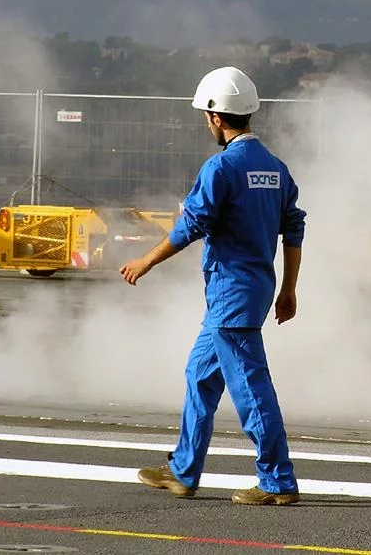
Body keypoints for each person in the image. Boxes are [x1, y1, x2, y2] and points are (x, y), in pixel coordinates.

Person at [121, 66, 306, 505]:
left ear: (216, 118)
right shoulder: (275, 168)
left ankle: (278, 480)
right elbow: (294, 228)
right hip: (256, 288)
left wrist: (145, 261)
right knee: (200, 374)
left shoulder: (221, 167)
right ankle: (184, 471)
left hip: (230, 295)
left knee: (250, 387)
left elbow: (191, 226)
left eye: (206, 117)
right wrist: (289, 289)